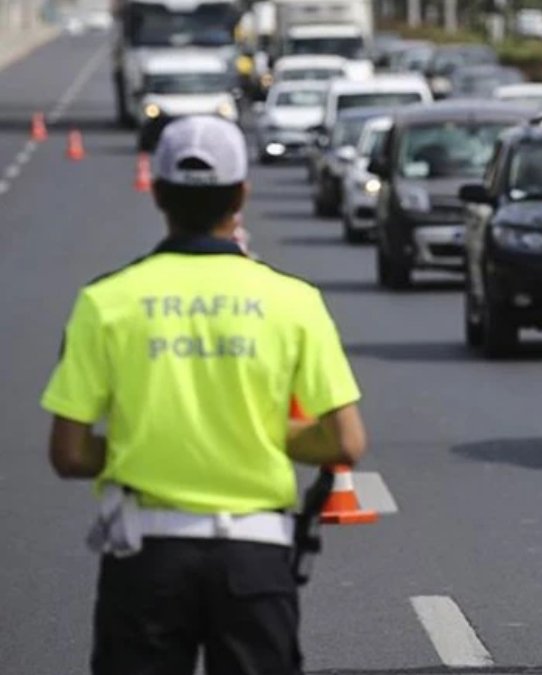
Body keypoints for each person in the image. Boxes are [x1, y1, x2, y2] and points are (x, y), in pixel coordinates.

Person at [41, 116, 367, 675]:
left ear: (158, 193)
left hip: (146, 556)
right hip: (255, 558)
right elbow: (345, 441)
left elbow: (68, 453)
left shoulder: (106, 301)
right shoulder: (294, 301)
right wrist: (254, 435)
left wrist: (148, 444)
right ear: (241, 195)